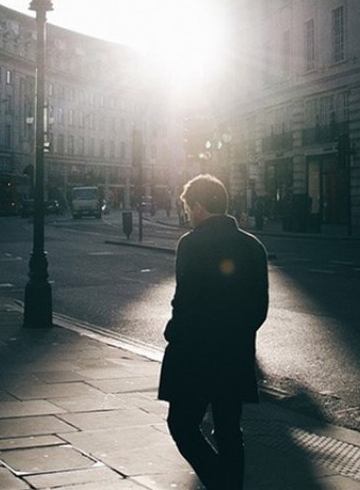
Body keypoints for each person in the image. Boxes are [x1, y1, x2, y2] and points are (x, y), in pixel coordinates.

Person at [158, 174, 269, 490]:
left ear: (199, 206)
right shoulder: (253, 246)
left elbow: (186, 302)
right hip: (236, 354)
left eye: (189, 208)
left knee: (181, 426)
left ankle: (222, 484)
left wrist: (173, 334)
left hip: (195, 356)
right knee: (229, 429)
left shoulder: (191, 244)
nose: (188, 215)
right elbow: (259, 309)